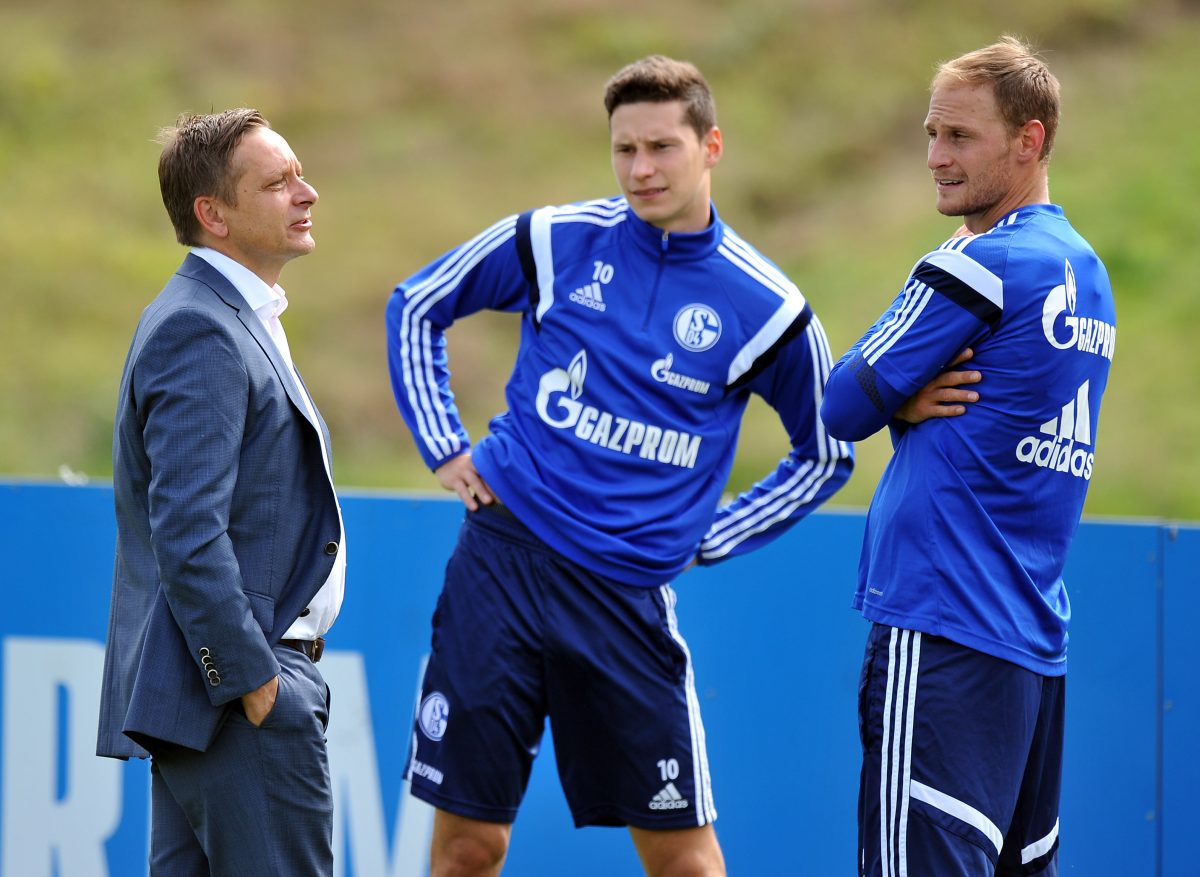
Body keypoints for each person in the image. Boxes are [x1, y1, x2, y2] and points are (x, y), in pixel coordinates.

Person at [386, 55, 853, 876]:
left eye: (662, 147)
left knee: (685, 862)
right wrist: (445, 445)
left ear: (711, 146)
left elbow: (828, 449)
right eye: (625, 149)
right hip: (500, 565)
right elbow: (418, 302)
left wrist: (708, 535)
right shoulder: (557, 239)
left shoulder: (767, 307)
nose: (641, 169)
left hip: (621, 597)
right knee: (467, 847)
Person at [820, 37, 1116, 876]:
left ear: (1029, 140)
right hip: (1029, 638)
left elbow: (841, 403)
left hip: (943, 620)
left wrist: (897, 399)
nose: (934, 158)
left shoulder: (982, 263)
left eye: (959, 137)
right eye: (930, 133)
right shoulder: (1087, 272)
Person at [96, 108, 347, 877]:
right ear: (214, 214)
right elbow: (188, 534)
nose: (306, 193)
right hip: (239, 702)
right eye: (278, 182)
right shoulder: (201, 328)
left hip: (210, 707)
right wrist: (254, 681)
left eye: (300, 174)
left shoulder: (232, 315)